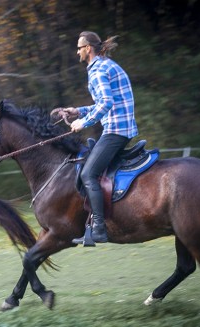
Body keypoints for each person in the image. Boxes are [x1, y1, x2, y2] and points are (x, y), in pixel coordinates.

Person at [59, 31, 138, 246]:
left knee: (88, 174)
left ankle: (99, 229)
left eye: (79, 47)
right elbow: (102, 103)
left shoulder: (99, 70)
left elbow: (106, 103)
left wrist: (82, 123)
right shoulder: (104, 65)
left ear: (88, 48)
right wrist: (78, 111)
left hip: (116, 131)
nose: (77, 51)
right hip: (120, 128)